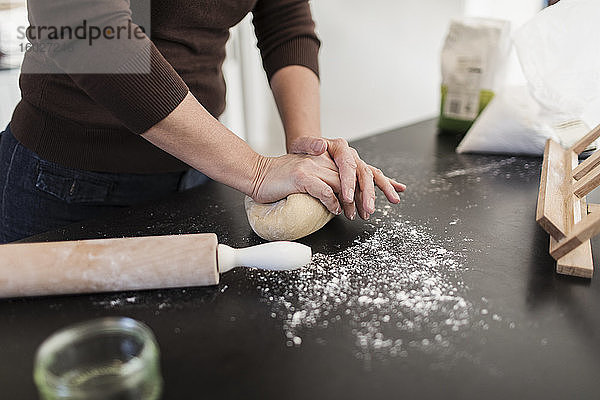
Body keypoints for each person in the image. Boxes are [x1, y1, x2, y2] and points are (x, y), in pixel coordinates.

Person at [0, 0, 405, 243]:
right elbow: (90, 30)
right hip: (66, 184)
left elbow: (285, 21)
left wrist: (308, 151)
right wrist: (257, 170)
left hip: (199, 170)